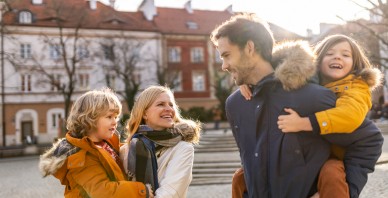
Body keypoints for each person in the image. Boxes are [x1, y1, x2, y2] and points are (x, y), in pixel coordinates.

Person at [210, 13, 383, 198]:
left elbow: (369, 141)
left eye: (227, 55)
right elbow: (251, 164)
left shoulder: (313, 97)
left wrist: (344, 191)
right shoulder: (235, 104)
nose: (224, 66)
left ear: (250, 48)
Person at [39, 88, 150, 197]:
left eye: (116, 117)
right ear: (89, 119)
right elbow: (103, 192)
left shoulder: (105, 143)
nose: (115, 122)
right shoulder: (80, 156)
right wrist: (142, 191)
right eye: (109, 117)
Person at [120, 85, 201, 198]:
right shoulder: (126, 149)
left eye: (171, 105)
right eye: (161, 104)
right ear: (144, 113)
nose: (169, 109)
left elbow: (170, 192)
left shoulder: (183, 148)